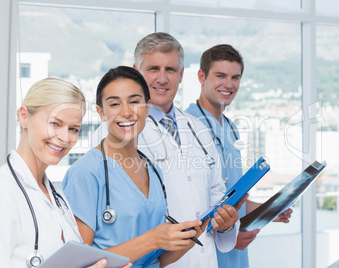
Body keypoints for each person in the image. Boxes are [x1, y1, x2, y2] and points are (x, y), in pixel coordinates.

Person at [92, 33, 242, 268]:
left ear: (181, 75)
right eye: (153, 69)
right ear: (136, 71)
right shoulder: (119, 131)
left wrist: (227, 222)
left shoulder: (199, 129)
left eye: (170, 70)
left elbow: (217, 194)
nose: (162, 79)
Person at [62, 66, 204, 268]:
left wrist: (184, 241)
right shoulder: (86, 172)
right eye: (114, 104)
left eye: (134, 102)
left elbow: (155, 259)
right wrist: (153, 239)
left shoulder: (154, 170)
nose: (126, 112)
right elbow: (79, 263)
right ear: (101, 113)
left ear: (147, 107)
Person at [0, 78, 131, 268]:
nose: (64, 137)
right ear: (24, 116)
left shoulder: (56, 196)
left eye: (73, 129)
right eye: (55, 123)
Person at [185, 44, 293, 267]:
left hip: (235, 255)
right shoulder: (186, 128)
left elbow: (234, 197)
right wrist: (228, 238)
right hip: (206, 254)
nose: (229, 84)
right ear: (201, 76)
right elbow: (188, 208)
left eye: (235, 77)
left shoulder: (231, 128)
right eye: (220, 76)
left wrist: (271, 209)